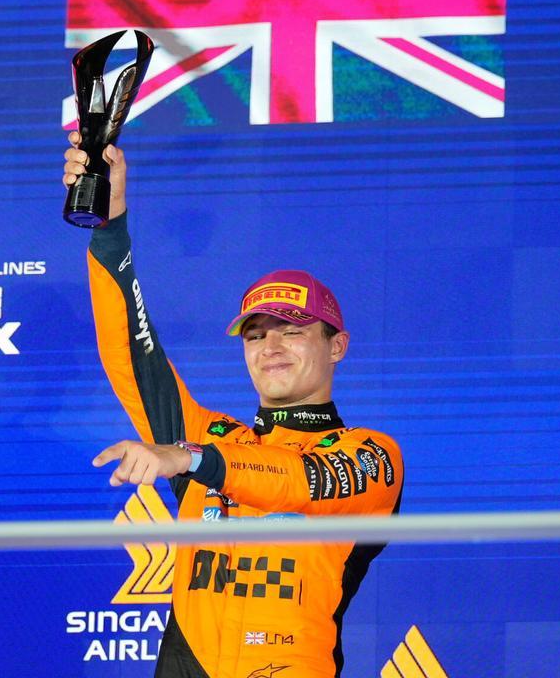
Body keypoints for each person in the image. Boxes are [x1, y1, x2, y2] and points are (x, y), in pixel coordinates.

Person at [64, 135, 404, 678]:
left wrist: (191, 459)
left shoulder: (372, 456)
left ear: (336, 346)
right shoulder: (213, 435)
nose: (270, 347)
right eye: (255, 335)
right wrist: (110, 226)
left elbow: (297, 481)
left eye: (291, 331)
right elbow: (131, 354)